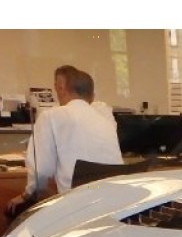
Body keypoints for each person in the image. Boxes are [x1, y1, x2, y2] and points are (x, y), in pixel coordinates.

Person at [6, 66, 123, 216]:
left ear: (61, 88)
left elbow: (40, 171)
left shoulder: (52, 116)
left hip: (76, 209)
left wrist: (26, 195)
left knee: (15, 212)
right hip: (112, 204)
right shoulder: (105, 119)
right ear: (92, 96)